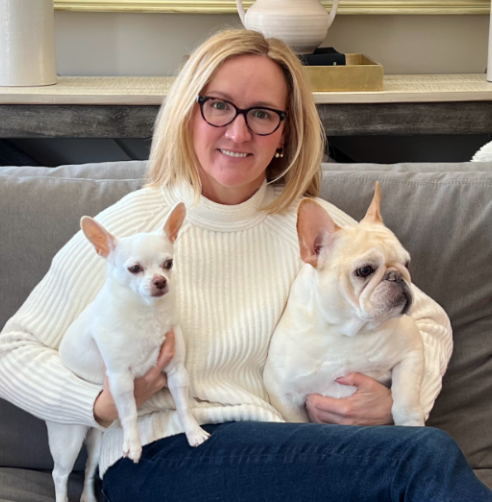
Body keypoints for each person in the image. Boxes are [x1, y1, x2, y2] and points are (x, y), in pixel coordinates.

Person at [0, 29, 490, 502]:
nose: (238, 131)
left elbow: (426, 320)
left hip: (285, 450)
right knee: (421, 457)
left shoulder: (317, 228)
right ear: (187, 113)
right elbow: (13, 351)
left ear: (284, 132)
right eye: (218, 106)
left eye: (261, 114)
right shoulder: (133, 229)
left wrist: (399, 406)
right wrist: (99, 406)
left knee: (415, 455)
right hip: (159, 453)